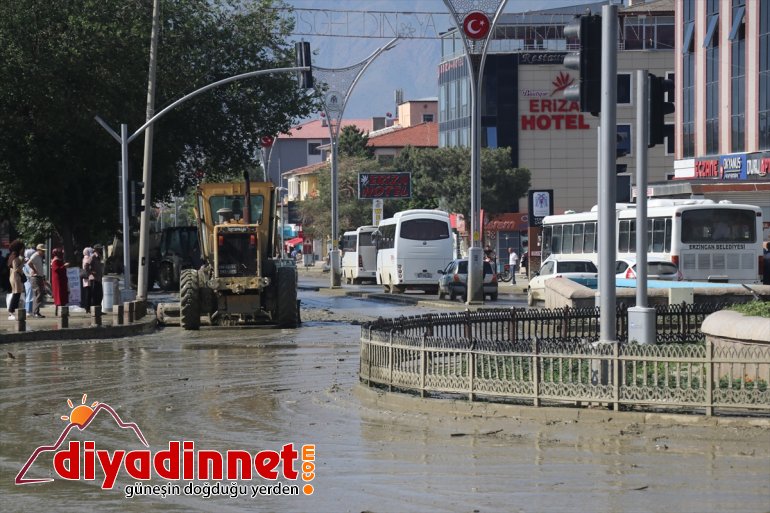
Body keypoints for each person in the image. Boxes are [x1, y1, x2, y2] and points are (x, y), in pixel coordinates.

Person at [6, 240, 25, 320]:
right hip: (16, 277)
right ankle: (11, 311)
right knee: (16, 294)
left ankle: (12, 311)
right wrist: (23, 262)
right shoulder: (16, 257)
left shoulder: (12, 256)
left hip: (13, 277)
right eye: (22, 248)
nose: (23, 250)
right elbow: (17, 268)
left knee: (16, 293)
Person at [27, 243, 47, 318]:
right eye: (42, 251)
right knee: (38, 293)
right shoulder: (35, 255)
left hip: (39, 277)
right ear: (38, 250)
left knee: (38, 294)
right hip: (35, 277)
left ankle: (36, 312)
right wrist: (34, 270)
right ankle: (35, 312)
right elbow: (29, 263)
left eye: (44, 251)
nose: (43, 252)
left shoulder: (39, 256)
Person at [50, 248, 69, 315]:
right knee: (59, 294)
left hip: (61, 279)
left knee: (63, 294)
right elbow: (56, 269)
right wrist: (64, 266)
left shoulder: (58, 260)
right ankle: (60, 311)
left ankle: (62, 310)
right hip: (58, 280)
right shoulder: (55, 261)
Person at [81, 247, 94, 313]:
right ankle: (87, 308)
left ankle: (87, 308)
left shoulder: (84, 258)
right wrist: (91, 273)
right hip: (88, 277)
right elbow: (87, 266)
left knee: (87, 293)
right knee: (88, 293)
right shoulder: (88, 258)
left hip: (86, 278)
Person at [91, 245, 104, 309]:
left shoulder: (99, 257)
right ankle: (95, 309)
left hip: (99, 278)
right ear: (96, 250)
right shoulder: (93, 256)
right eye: (99, 249)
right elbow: (86, 266)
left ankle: (99, 309)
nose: (101, 250)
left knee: (100, 295)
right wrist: (91, 272)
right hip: (95, 279)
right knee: (95, 295)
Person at [22, 248, 35, 314]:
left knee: (29, 295)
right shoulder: (28, 262)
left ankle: (28, 310)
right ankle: (28, 310)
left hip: (27, 280)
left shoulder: (26, 261)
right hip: (29, 280)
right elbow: (30, 272)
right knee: (30, 295)